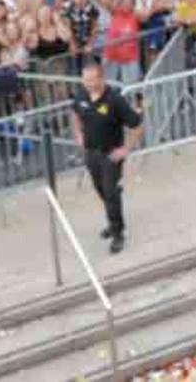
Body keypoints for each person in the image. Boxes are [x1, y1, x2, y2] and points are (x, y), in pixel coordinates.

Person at [71, 61, 144, 255]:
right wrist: (78, 132)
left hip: (110, 155)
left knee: (110, 193)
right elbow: (75, 112)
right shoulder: (81, 95)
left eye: (92, 80)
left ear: (101, 78)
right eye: (85, 80)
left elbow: (137, 126)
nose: (88, 84)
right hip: (91, 153)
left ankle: (118, 232)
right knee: (101, 189)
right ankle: (113, 219)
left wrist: (125, 149)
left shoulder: (115, 100)